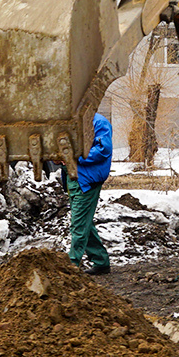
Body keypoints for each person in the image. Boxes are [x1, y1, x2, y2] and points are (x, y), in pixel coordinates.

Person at [68, 111, 113, 274]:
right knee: (84, 222)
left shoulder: (99, 123)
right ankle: (101, 261)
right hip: (74, 179)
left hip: (88, 179)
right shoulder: (71, 121)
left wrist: (74, 157)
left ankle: (71, 265)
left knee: (79, 224)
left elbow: (103, 149)